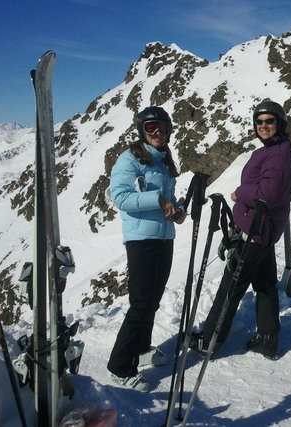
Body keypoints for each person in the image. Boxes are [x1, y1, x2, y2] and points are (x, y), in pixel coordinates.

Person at [190, 99, 291, 360]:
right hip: (263, 231)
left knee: (230, 288)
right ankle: (268, 340)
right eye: (259, 121)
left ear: (280, 123)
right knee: (265, 285)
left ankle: (209, 342)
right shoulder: (274, 149)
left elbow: (268, 194)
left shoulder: (280, 153)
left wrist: (240, 193)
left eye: (269, 120)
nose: (263, 125)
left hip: (255, 231)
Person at [107, 106, 186, 392]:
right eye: (151, 128)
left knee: (152, 299)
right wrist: (159, 200)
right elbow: (119, 197)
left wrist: (176, 211)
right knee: (141, 303)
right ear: (141, 130)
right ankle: (119, 368)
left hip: (164, 237)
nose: (157, 133)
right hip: (141, 240)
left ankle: (141, 349)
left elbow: (169, 197)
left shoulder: (163, 160)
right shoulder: (129, 159)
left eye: (162, 127)